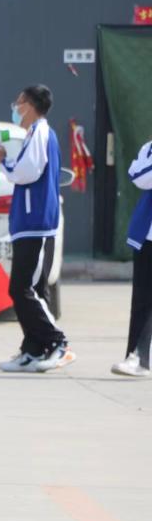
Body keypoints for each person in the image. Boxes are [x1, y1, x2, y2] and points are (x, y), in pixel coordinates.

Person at [0, 85, 73, 373]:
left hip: (36, 223)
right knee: (31, 288)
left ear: (30, 105)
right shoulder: (33, 134)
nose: (15, 107)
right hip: (28, 223)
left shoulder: (40, 132)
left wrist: (3, 162)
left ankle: (58, 343)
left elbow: (27, 172)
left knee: (22, 288)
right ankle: (34, 348)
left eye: (19, 102)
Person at [114, 138, 152, 377]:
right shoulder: (149, 147)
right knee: (142, 299)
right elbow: (137, 175)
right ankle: (137, 357)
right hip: (147, 234)